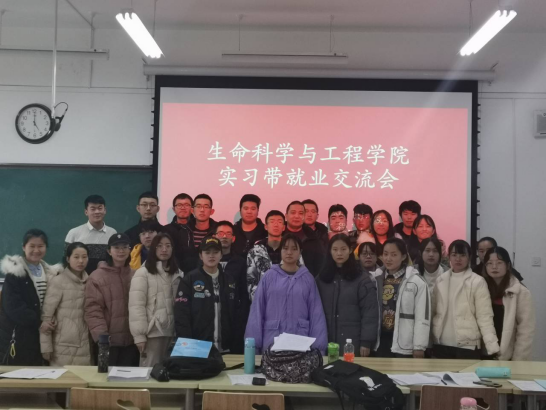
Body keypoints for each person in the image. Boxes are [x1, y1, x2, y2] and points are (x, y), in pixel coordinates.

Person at [245, 234, 328, 354]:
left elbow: (316, 314)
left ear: (300, 252)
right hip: (272, 343)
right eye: (285, 248)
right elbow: (257, 311)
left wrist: (319, 348)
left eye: (294, 249)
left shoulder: (308, 279)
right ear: (280, 250)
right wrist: (253, 346)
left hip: (300, 343)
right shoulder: (269, 277)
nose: (289, 252)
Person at [0, 229, 60, 365]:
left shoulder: (51, 272)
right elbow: (13, 306)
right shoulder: (14, 274)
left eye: (40, 246)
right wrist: (38, 323)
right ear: (24, 247)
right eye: (32, 246)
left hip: (44, 333)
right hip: (19, 334)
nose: (36, 250)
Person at [431, 240, 499, 359]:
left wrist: (492, 345)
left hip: (468, 346)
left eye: (462, 255)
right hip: (440, 343)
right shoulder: (440, 280)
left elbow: (484, 316)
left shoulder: (477, 281)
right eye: (454, 255)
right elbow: (433, 312)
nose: (458, 259)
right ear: (449, 257)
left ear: (469, 257)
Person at [316, 234, 378, 357]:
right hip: (325, 339)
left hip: (352, 341)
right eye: (335, 249)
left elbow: (370, 312)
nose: (339, 253)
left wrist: (366, 341)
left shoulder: (361, 278)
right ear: (330, 251)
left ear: (350, 250)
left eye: (343, 249)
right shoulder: (321, 278)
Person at [174, 237, 239, 353]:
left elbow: (235, 315)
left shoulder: (229, 280)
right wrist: (187, 346)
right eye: (207, 252)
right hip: (198, 347)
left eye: (215, 252)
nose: (211, 256)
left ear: (221, 255)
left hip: (226, 347)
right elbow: (181, 316)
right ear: (200, 256)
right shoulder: (190, 279)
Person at [85, 233, 139, 366]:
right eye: (116, 247)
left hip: (132, 342)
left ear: (130, 250)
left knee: (130, 378)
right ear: (109, 251)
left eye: (125, 247)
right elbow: (93, 310)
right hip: (108, 343)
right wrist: (102, 338)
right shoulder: (97, 277)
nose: (121, 251)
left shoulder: (136, 275)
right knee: (106, 378)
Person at [129, 233, 182, 367]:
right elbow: (136, 306)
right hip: (152, 333)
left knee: (171, 373)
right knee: (149, 373)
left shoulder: (178, 273)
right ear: (153, 249)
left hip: (173, 333)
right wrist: (139, 336)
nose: (164, 249)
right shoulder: (143, 273)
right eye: (159, 246)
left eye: (168, 246)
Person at [372, 238, 430, 358]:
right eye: (385, 254)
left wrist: (419, 346)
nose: (388, 258)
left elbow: (422, 316)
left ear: (403, 256)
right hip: (380, 340)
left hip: (404, 341)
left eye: (393, 255)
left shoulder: (416, 281)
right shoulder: (376, 279)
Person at [40, 242, 91, 366]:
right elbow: (46, 317)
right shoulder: (58, 282)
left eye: (84, 257)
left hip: (88, 344)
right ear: (68, 259)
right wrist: (46, 347)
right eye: (76, 257)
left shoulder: (91, 281)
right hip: (63, 346)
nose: (81, 261)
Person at [483, 247, 535, 360]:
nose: (494, 267)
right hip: (484, 351)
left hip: (508, 354)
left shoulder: (520, 292)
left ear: (508, 265)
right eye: (489, 263)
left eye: (499, 263)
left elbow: (526, 330)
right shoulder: (481, 288)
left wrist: (518, 359)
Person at [248, 210, 304, 300]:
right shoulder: (255, 251)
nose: (276, 225)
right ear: (266, 226)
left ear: (283, 227)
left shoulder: (293, 250)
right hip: (263, 302)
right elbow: (251, 280)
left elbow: (301, 276)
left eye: (279, 222)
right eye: (272, 221)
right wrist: (260, 301)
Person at [215, 221, 250, 353]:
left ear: (233, 238)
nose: (224, 236)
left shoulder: (240, 262)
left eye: (228, 233)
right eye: (220, 233)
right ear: (214, 236)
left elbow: (244, 293)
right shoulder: (205, 260)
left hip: (234, 317)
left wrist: (241, 314)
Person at [65, 195, 117, 274]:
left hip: (106, 278)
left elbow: (115, 260)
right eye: (93, 209)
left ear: (105, 210)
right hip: (80, 278)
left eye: (100, 208)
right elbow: (66, 260)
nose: (97, 212)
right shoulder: (74, 233)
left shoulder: (112, 233)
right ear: (86, 212)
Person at [284, 201, 325, 276]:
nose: (297, 216)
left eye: (300, 213)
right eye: (293, 213)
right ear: (286, 216)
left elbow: (319, 267)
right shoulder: (278, 236)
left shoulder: (313, 239)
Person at [164, 193, 197, 275]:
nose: (183, 208)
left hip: (197, 273)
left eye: (186, 205)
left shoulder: (199, 228)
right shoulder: (165, 230)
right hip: (172, 273)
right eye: (179, 205)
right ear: (173, 209)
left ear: (192, 208)